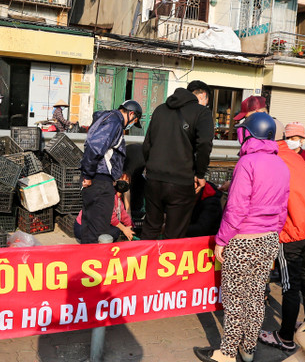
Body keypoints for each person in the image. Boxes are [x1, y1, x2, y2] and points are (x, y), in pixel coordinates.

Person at [193, 113, 289, 362]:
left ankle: (227, 353)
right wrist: (273, 235)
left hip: (243, 239)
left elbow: (236, 207)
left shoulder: (247, 163)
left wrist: (222, 240)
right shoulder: (281, 164)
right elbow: (283, 209)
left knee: (235, 299)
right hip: (269, 239)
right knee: (257, 297)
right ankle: (248, 348)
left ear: (249, 134)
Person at [258, 133, 305, 352]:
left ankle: (286, 337)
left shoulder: (270, 159)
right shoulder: (298, 158)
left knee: (290, 286)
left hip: (293, 229)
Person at [142, 80, 214, 240]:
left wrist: (150, 167)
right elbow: (204, 144)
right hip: (181, 181)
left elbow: (147, 144)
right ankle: (166, 264)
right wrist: (200, 174)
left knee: (151, 227)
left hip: (154, 178)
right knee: (175, 233)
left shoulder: (160, 109)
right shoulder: (202, 112)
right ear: (203, 96)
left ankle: (144, 264)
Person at [78, 100, 142, 244]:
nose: (131, 125)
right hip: (99, 180)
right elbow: (95, 147)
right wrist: (88, 175)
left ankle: (87, 260)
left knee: (90, 225)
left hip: (96, 179)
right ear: (131, 113)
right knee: (99, 228)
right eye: (135, 120)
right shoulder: (114, 122)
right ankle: (95, 262)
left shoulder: (106, 119)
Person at [74, 177, 134, 242]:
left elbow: (123, 214)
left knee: (115, 231)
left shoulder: (117, 199)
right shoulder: (105, 196)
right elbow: (111, 218)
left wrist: (130, 226)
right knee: (115, 231)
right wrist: (124, 229)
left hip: (96, 227)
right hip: (83, 228)